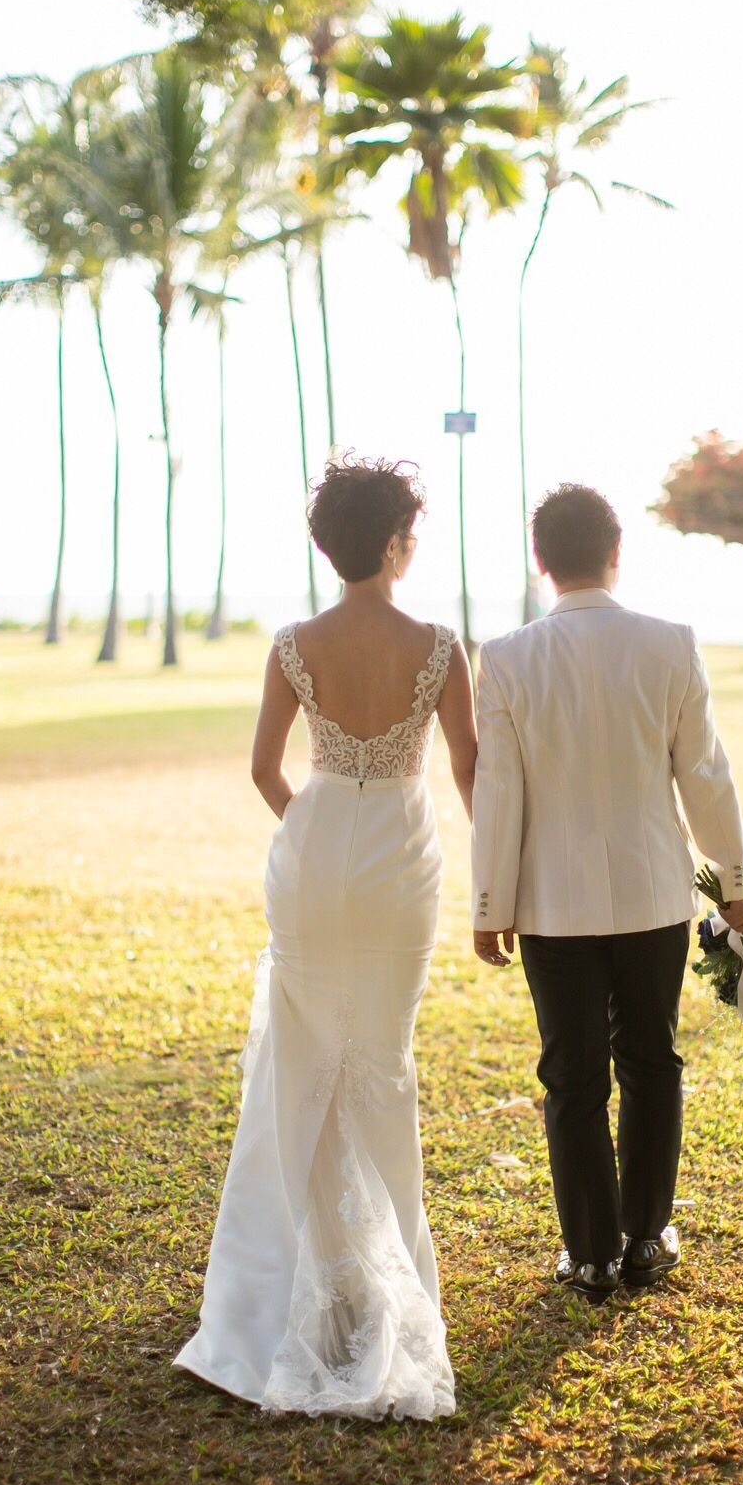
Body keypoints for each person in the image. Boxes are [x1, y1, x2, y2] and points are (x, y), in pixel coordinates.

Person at [174, 454, 477, 1418]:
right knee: (382, 1063)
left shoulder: (292, 645)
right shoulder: (440, 647)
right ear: (392, 544)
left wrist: (315, 825)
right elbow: (470, 773)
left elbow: (266, 770)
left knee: (304, 1064)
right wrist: (502, 883)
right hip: (400, 866)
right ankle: (381, 1293)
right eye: (410, 533)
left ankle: (293, 1291)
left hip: (310, 860)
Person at [470, 484, 743, 1299]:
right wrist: (733, 884)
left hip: (550, 904)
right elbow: (705, 776)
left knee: (572, 1076)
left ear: (541, 561)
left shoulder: (507, 656)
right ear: (615, 552)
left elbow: (499, 794)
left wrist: (490, 907)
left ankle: (591, 1253)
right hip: (652, 896)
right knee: (651, 1061)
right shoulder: (671, 644)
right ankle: (647, 1236)